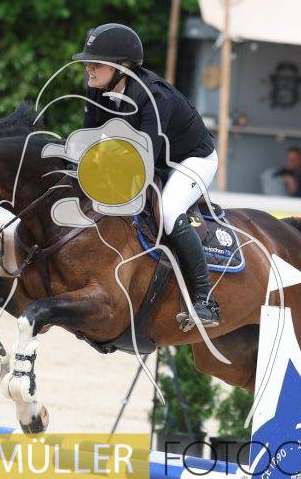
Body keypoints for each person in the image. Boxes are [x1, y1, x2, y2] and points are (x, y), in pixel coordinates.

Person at [74, 22, 220, 331]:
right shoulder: (97, 89)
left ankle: (205, 299)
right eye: (88, 62)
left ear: (121, 68)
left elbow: (144, 157)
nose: (89, 68)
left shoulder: (154, 95)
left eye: (96, 63)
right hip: (151, 160)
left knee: (169, 210)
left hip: (191, 160)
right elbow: (89, 140)